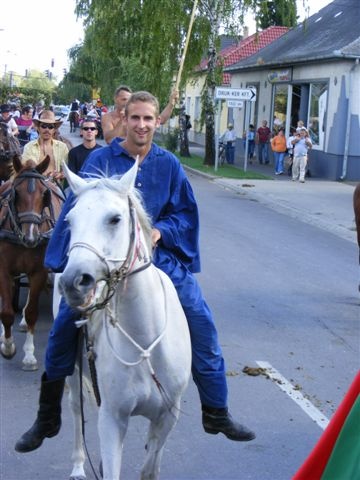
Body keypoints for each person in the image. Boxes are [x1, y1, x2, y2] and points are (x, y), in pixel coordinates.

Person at [15, 91, 255, 454]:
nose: (142, 125)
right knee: (66, 320)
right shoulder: (100, 159)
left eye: (148, 119)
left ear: (158, 122)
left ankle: (216, 410)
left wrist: (161, 231)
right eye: (135, 118)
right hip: (107, 262)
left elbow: (185, 215)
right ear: (123, 120)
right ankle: (47, 417)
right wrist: (65, 259)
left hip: (154, 259)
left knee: (199, 316)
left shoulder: (169, 165)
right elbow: (77, 211)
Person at [101, 85, 179, 144]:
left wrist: (171, 104)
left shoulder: (138, 116)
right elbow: (109, 140)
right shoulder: (107, 117)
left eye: (129, 100)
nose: (126, 103)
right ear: (115, 99)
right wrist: (122, 120)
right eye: (124, 99)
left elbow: (161, 119)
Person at [22, 110, 69, 181]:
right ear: (38, 128)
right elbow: (25, 169)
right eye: (44, 126)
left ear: (54, 130)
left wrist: (60, 174)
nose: (47, 129)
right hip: (35, 187)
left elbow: (67, 170)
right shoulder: (29, 147)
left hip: (55, 187)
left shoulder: (62, 147)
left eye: (50, 127)